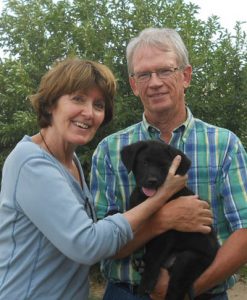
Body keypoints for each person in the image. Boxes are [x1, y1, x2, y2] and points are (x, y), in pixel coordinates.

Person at [0, 57, 194, 299]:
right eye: (78, 99)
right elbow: (87, 244)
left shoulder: (69, 162)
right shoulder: (31, 163)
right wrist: (161, 197)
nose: (89, 113)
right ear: (50, 104)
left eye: (99, 105)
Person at [90, 28, 247, 300]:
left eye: (165, 71)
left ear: (185, 76)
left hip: (203, 293)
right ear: (133, 84)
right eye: (144, 74)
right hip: (125, 292)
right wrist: (161, 221)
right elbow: (97, 241)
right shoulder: (110, 150)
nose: (155, 83)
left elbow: (245, 232)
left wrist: (184, 291)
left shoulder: (224, 145)